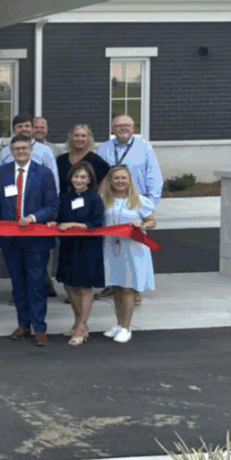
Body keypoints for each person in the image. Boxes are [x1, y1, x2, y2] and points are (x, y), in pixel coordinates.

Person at [0, 136, 59, 346]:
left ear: (30, 150)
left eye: (24, 148)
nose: (20, 152)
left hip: (36, 239)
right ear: (11, 151)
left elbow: (52, 206)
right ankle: (23, 324)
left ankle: (40, 328)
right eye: (16, 148)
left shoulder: (44, 173)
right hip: (10, 240)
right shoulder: (2, 173)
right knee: (17, 284)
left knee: (36, 284)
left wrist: (33, 218)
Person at [97, 115, 163, 300]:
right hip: (111, 201)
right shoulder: (104, 148)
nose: (122, 128)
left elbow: (154, 176)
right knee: (111, 247)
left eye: (126, 125)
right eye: (118, 126)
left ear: (133, 128)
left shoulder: (144, 147)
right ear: (112, 129)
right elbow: (100, 177)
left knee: (133, 251)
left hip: (134, 203)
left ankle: (134, 288)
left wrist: (149, 205)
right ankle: (113, 284)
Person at [49, 162, 105, 346]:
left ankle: (81, 327)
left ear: (89, 180)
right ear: (70, 178)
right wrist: (54, 224)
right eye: (76, 176)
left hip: (88, 247)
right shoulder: (64, 197)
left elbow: (96, 222)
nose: (79, 180)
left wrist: (77, 225)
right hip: (69, 246)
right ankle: (78, 323)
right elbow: (61, 219)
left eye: (83, 177)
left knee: (84, 287)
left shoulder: (95, 198)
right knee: (68, 285)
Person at [100, 165, 157, 345]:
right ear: (110, 181)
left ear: (129, 180)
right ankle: (118, 324)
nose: (120, 181)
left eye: (124, 178)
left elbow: (152, 221)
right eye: (116, 178)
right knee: (116, 287)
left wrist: (142, 226)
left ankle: (126, 327)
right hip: (112, 247)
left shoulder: (139, 200)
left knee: (128, 288)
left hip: (133, 249)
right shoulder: (104, 200)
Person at [0, 114, 59, 192]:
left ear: (32, 129)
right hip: (11, 199)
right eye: (19, 126)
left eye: (27, 126)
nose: (24, 129)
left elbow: (53, 179)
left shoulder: (45, 150)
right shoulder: (5, 152)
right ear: (13, 130)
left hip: (38, 199)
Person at [57, 124, 111, 194]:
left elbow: (104, 184)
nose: (80, 139)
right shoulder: (60, 160)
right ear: (70, 137)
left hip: (88, 203)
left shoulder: (97, 161)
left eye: (83, 136)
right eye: (76, 136)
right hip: (63, 202)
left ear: (89, 138)